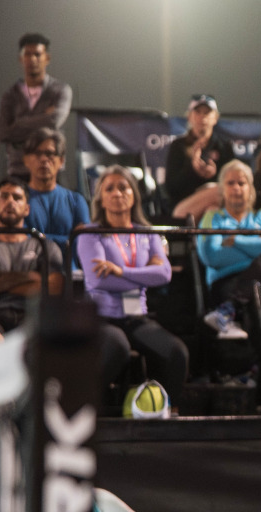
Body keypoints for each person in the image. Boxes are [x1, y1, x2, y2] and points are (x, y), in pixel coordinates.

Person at [78, 166, 189, 405]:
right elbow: (99, 280)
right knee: (117, 346)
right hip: (102, 318)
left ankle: (165, 412)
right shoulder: (89, 235)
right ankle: (81, 408)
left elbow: (164, 274)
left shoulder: (146, 232)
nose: (117, 193)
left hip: (136, 317)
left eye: (123, 187)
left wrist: (121, 271)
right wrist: (145, 273)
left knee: (176, 352)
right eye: (110, 188)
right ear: (101, 198)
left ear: (134, 195)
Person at [0, 178, 66, 347]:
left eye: (17, 198)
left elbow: (54, 288)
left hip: (33, 313)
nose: (10, 202)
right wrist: (32, 277)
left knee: (41, 345)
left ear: (27, 209)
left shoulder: (45, 247)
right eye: (4, 197)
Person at [197, 160, 261, 339]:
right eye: (230, 183)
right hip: (225, 283)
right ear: (222, 189)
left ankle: (227, 311)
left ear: (250, 189)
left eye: (241, 183)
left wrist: (235, 240)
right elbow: (212, 256)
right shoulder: (212, 218)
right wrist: (257, 248)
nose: (236, 188)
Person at [0, 33, 72, 180]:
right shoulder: (10, 95)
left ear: (47, 58)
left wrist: (18, 123)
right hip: (19, 171)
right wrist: (43, 116)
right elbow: (3, 133)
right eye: (27, 54)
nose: (32, 59)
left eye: (37, 54)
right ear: (21, 59)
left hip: (51, 171)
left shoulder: (60, 90)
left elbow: (54, 120)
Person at [167, 94, 236, 219]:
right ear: (189, 116)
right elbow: (171, 189)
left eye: (207, 112)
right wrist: (192, 168)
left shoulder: (225, 147)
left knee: (213, 208)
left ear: (215, 117)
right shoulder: (178, 146)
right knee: (218, 191)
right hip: (183, 209)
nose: (202, 117)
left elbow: (233, 185)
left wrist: (215, 174)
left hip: (217, 207)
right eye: (197, 112)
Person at [22, 128, 90, 250]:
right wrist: (66, 239)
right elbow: (20, 241)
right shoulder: (17, 200)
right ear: (26, 160)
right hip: (30, 268)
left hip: (68, 268)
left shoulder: (76, 201)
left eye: (49, 153)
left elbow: (83, 242)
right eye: (37, 153)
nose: (43, 159)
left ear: (61, 160)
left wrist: (39, 237)